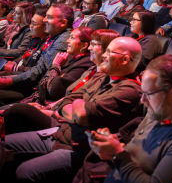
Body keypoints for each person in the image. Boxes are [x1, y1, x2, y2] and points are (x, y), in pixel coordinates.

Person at [2, 36, 143, 182]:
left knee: (25, 171)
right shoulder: (101, 76)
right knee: (3, 143)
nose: (104, 56)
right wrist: (75, 108)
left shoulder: (130, 90)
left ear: (125, 60)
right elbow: (67, 101)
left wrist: (76, 108)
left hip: (78, 149)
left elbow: (81, 114)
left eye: (109, 52)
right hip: (60, 132)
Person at [86, 54, 172, 183]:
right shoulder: (156, 114)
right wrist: (113, 147)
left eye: (148, 94)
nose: (142, 100)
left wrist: (118, 154)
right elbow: (135, 159)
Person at [1, 29, 118, 134]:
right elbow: (48, 84)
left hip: (62, 122)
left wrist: (55, 66)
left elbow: (54, 90)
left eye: (72, 38)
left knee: (16, 111)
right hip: (49, 104)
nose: (89, 48)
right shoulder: (88, 67)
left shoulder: (87, 65)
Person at [0, 3, 72, 105]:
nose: (45, 20)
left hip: (37, 91)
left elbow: (39, 72)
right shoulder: (54, 37)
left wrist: (10, 80)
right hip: (30, 82)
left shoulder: (63, 40)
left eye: (49, 17)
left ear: (63, 23)